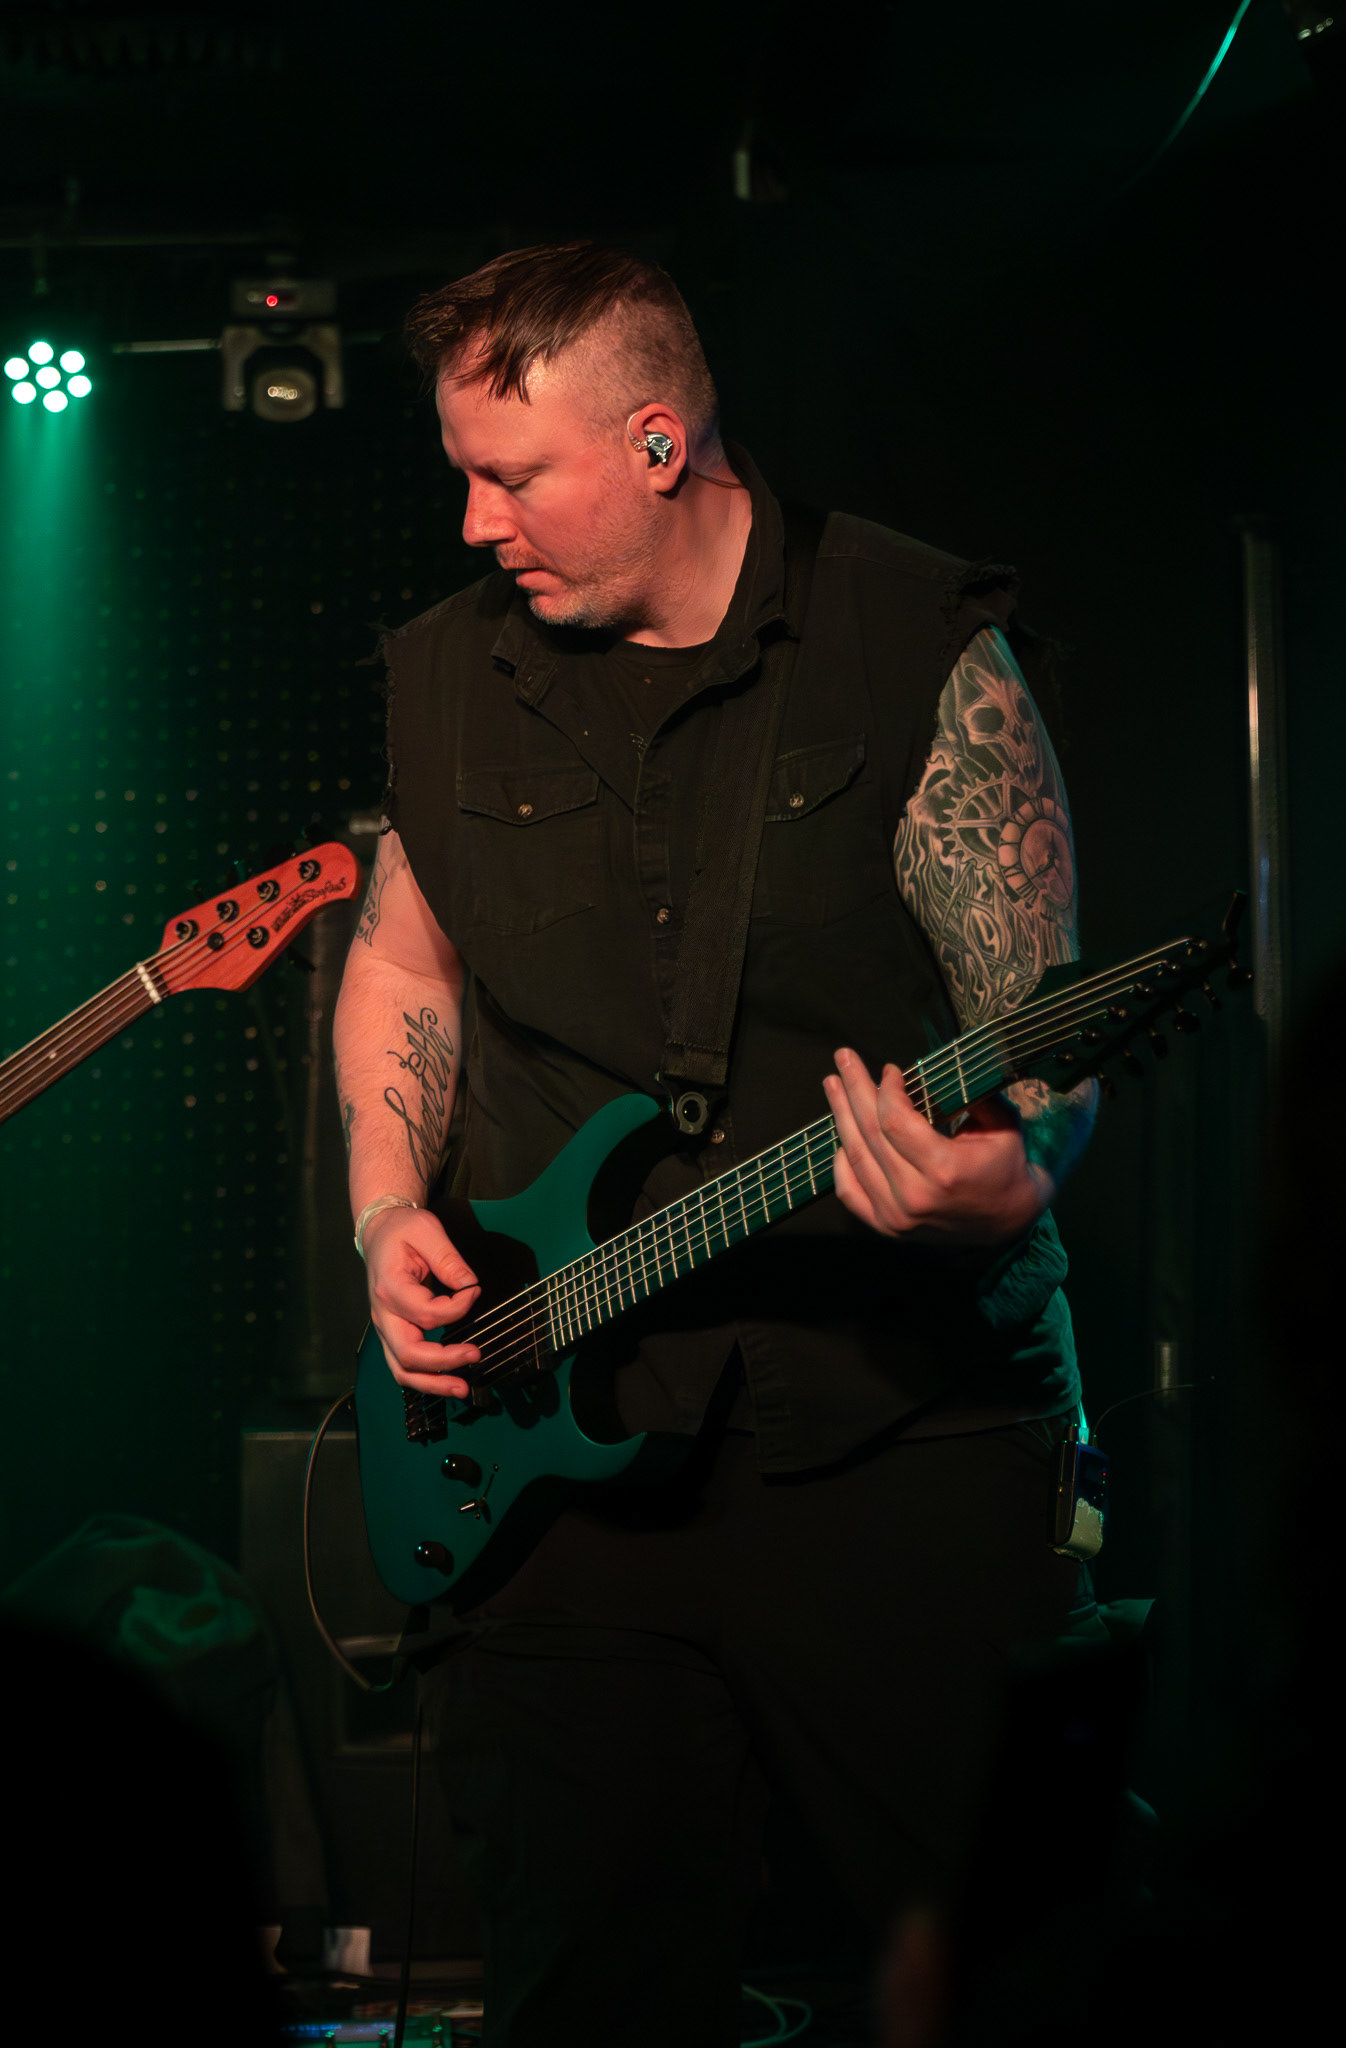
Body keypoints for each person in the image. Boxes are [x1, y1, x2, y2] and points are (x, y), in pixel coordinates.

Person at [332, 240, 1102, 2047]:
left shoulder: (910, 644)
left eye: (512, 476)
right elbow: (402, 960)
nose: (474, 524)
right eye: (462, 474)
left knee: (985, 1960)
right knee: (589, 1990)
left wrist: (1013, 1175)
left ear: (659, 444)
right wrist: (380, 1211)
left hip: (891, 1426)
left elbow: (1046, 1020)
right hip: (549, 1441)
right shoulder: (450, 673)